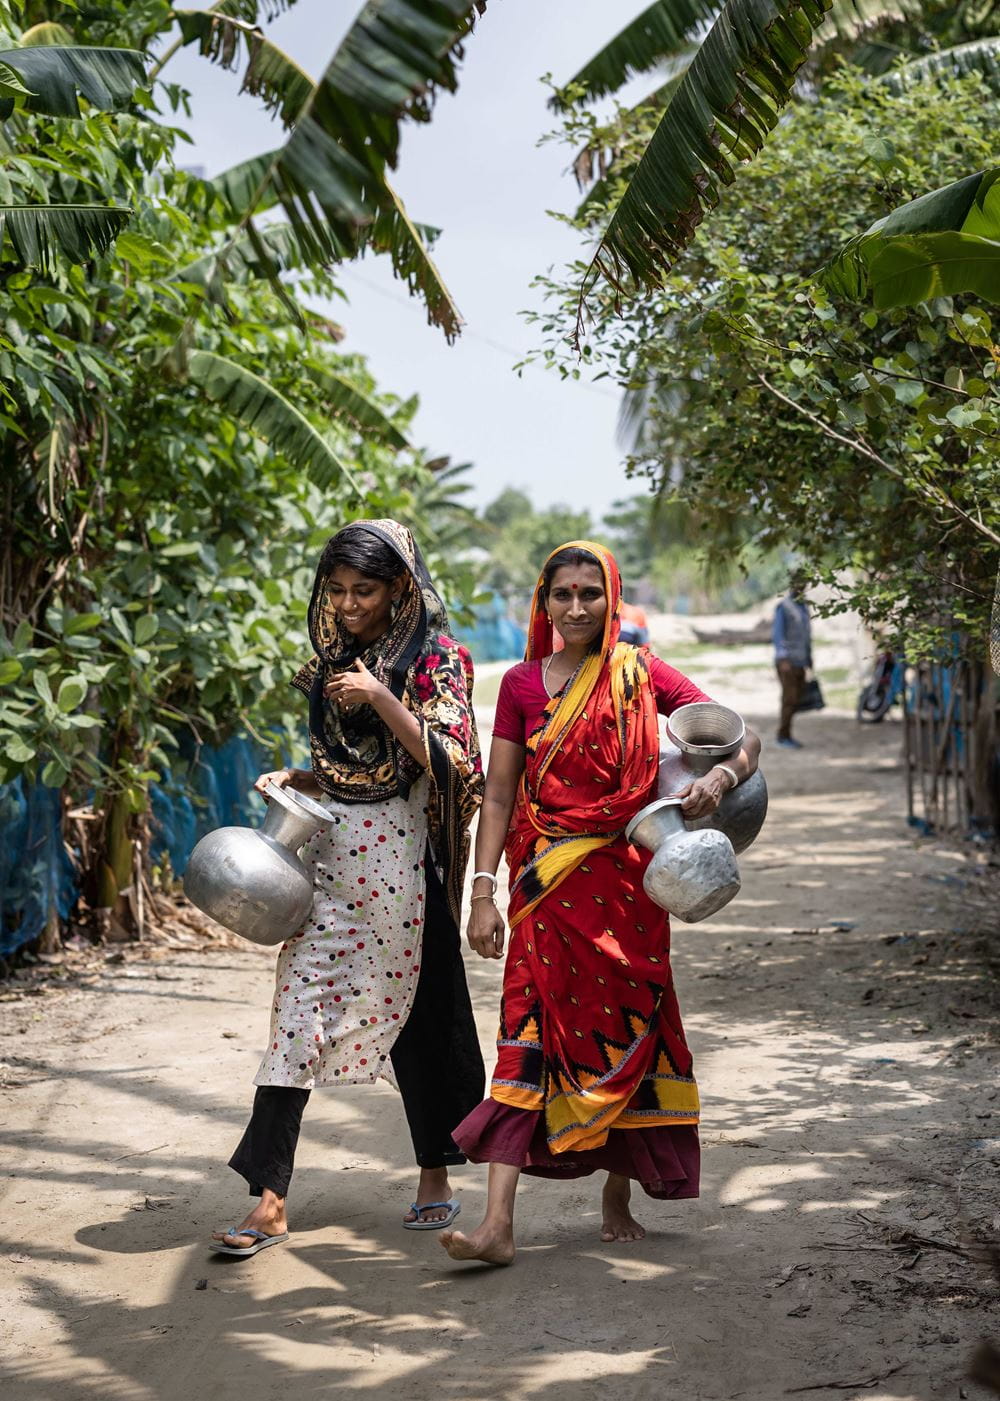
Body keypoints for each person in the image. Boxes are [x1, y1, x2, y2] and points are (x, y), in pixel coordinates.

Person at [440, 542, 760, 1266]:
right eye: (563, 594)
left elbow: (744, 735)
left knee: (627, 1033)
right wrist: (482, 890)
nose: (577, 607)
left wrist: (722, 778)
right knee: (526, 1036)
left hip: (626, 890)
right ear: (543, 601)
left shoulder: (640, 672)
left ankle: (616, 1195)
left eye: (591, 593)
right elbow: (497, 792)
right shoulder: (521, 684)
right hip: (544, 890)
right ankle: (497, 1224)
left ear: (611, 598)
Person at [211, 520, 485, 1256]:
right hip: (331, 862)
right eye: (335, 590)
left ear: (401, 586)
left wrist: (381, 696)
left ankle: (435, 1174)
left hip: (406, 867)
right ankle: (269, 1201)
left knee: (422, 1022)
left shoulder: (438, 662)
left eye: (364, 589)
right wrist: (299, 780)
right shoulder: (332, 658)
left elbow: (459, 767)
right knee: (297, 1015)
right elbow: (339, 768)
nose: (347, 604)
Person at [773, 576, 813, 749]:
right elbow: (778, 634)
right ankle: (783, 736)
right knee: (789, 699)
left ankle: (787, 733)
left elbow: (806, 637)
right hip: (787, 662)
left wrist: (809, 659)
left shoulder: (804, 607)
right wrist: (782, 658)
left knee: (796, 699)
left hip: (800, 661)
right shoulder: (784, 607)